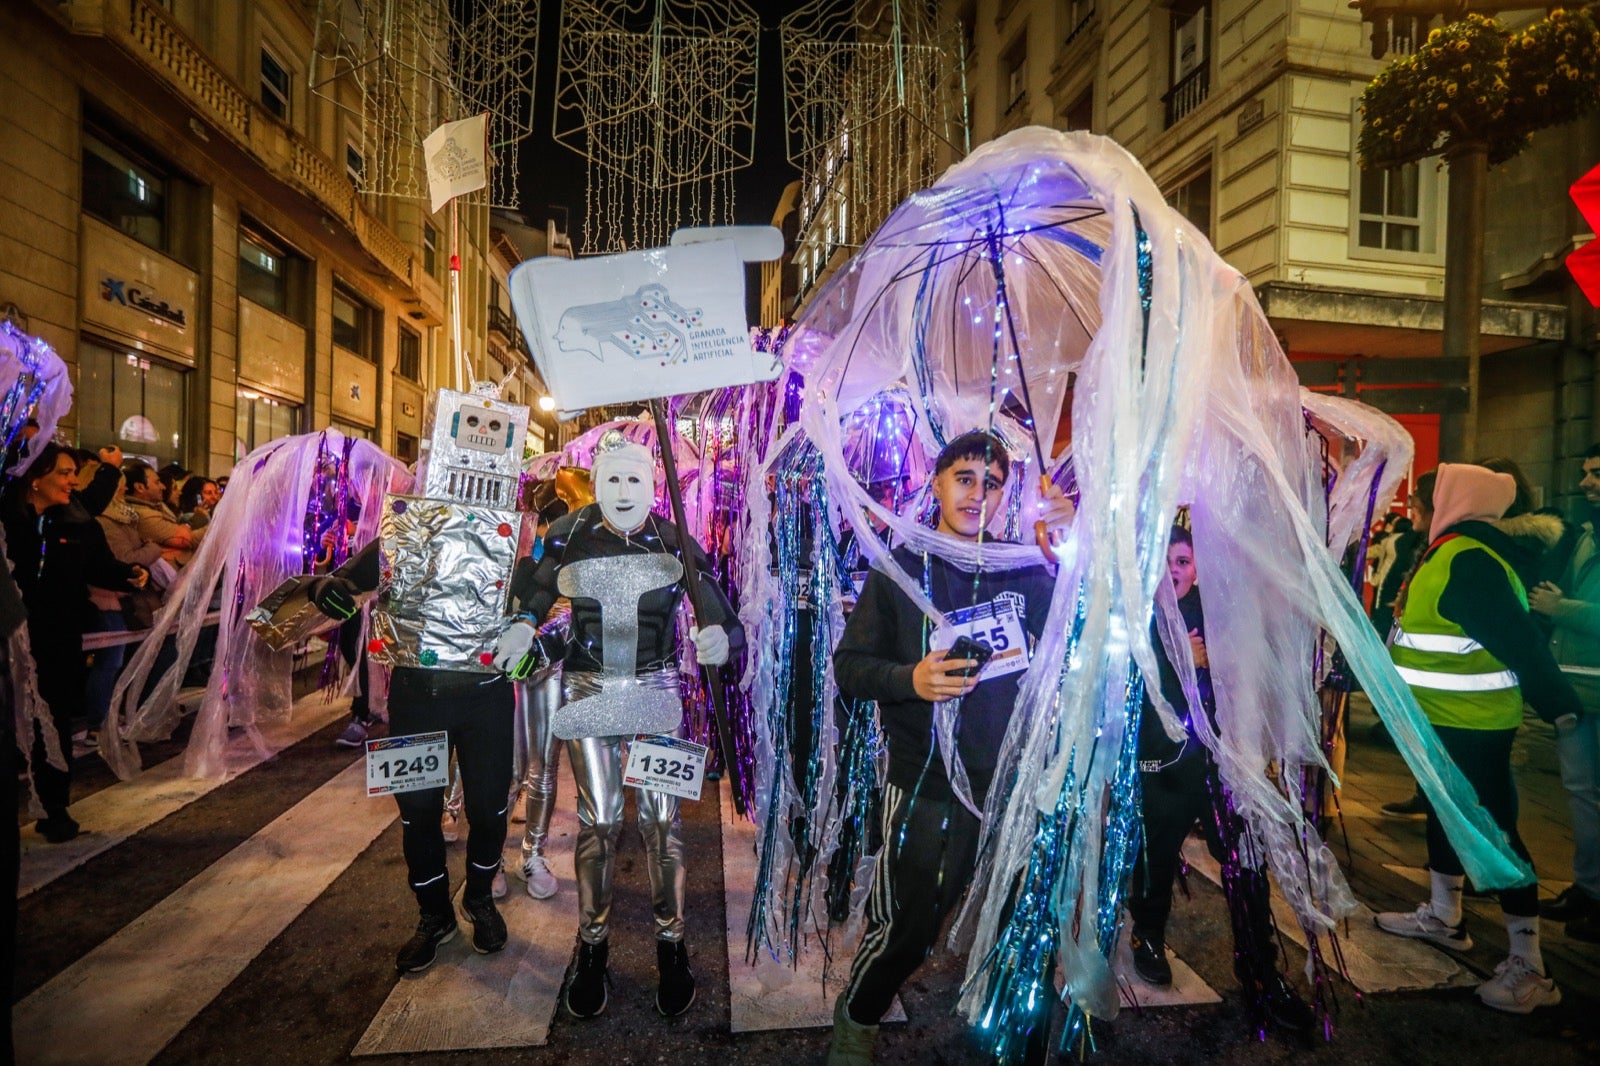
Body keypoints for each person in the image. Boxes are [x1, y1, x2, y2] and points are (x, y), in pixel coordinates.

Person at [824, 430, 1073, 1065]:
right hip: (926, 785)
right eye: (964, 477)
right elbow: (849, 666)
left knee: (1024, 927)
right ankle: (856, 1025)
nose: (977, 494)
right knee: (907, 933)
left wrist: (1074, 548)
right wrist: (909, 680)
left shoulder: (1026, 566)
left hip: (1015, 787)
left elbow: (1082, 643)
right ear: (935, 483)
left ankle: (1014, 1042)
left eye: (992, 483)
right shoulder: (900, 568)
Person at [499, 435, 742, 1020]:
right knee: (600, 820)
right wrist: (523, 625)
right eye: (613, 479)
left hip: (656, 691)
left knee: (663, 823)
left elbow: (723, 614)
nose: (624, 492)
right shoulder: (571, 533)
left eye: (635, 480)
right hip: (588, 690)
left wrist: (721, 639)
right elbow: (530, 590)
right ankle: (592, 946)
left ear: (653, 485)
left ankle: (672, 944)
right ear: (597, 482)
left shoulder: (673, 536)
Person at [1375, 463, 1581, 1014]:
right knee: (1447, 814)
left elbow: (1519, 640)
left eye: (1432, 495)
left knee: (1495, 830)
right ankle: (1445, 917)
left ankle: (1529, 965)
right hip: (1438, 720)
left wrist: (1560, 707)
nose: (1419, 505)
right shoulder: (1450, 551)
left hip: (1474, 723)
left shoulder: (1468, 558)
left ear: (1456, 501)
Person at [1127, 525, 1314, 1033]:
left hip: (1220, 760)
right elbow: (1132, 685)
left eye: (1183, 561)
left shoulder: (1219, 612)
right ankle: (1147, 934)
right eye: (1163, 561)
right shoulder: (1135, 613)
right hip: (1161, 759)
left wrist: (1219, 659)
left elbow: (1252, 669)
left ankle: (1261, 966)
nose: (1173, 571)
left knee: (1243, 855)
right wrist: (1179, 661)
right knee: (1157, 852)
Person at [1, 444, 146, 842]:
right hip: (9, 637)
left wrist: (129, 574)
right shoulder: (8, 523)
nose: (71, 481)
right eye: (64, 473)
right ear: (35, 478)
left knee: (53, 719)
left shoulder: (77, 522)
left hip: (57, 636)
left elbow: (98, 566)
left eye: (73, 472)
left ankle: (56, 807)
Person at [1527, 443, 1600, 943]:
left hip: (1588, 680)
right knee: (1581, 794)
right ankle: (1588, 888)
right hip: (1579, 686)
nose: (1585, 482)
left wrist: (1561, 607)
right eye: (1584, 472)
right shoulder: (1587, 534)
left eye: (1596, 473)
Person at [124, 461, 201, 564]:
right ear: (140, 487)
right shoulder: (145, 516)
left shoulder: (156, 507)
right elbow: (186, 539)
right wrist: (221, 524)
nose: (163, 487)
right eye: (157, 482)